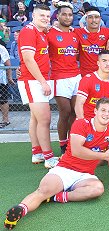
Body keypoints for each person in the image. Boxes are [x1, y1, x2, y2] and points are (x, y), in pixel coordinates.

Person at [3, 98, 109, 230]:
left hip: (85, 175)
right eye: (103, 110)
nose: (106, 114)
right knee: (43, 191)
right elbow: (77, 151)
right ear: (95, 111)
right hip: (65, 170)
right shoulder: (81, 124)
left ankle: (57, 197)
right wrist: (103, 156)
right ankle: (20, 211)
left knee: (98, 189)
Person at [17, 4, 59, 169]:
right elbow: (28, 59)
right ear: (33, 16)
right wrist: (42, 81)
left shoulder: (40, 32)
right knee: (44, 119)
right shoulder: (28, 31)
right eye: (41, 15)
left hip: (34, 80)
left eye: (48, 16)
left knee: (35, 118)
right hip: (32, 81)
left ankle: (37, 153)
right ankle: (49, 158)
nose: (45, 19)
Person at [47, 3, 81, 155]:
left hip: (76, 76)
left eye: (70, 15)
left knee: (75, 111)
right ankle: (62, 145)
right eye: (64, 14)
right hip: (59, 77)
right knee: (65, 111)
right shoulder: (49, 33)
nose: (67, 17)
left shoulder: (75, 34)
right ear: (58, 16)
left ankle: (72, 143)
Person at [75, 50, 109, 120]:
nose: (108, 64)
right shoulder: (87, 79)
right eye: (104, 61)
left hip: (104, 123)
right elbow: (79, 104)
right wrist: (82, 123)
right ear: (98, 63)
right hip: (87, 121)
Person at [75, 6, 109, 76]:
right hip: (84, 75)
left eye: (96, 17)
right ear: (86, 19)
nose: (94, 20)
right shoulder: (77, 32)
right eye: (90, 17)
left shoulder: (107, 32)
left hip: (102, 75)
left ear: (100, 19)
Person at [0, 44, 14, 128]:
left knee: (3, 100)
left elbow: (8, 64)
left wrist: (9, 77)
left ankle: (5, 120)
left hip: (1, 79)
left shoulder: (1, 48)